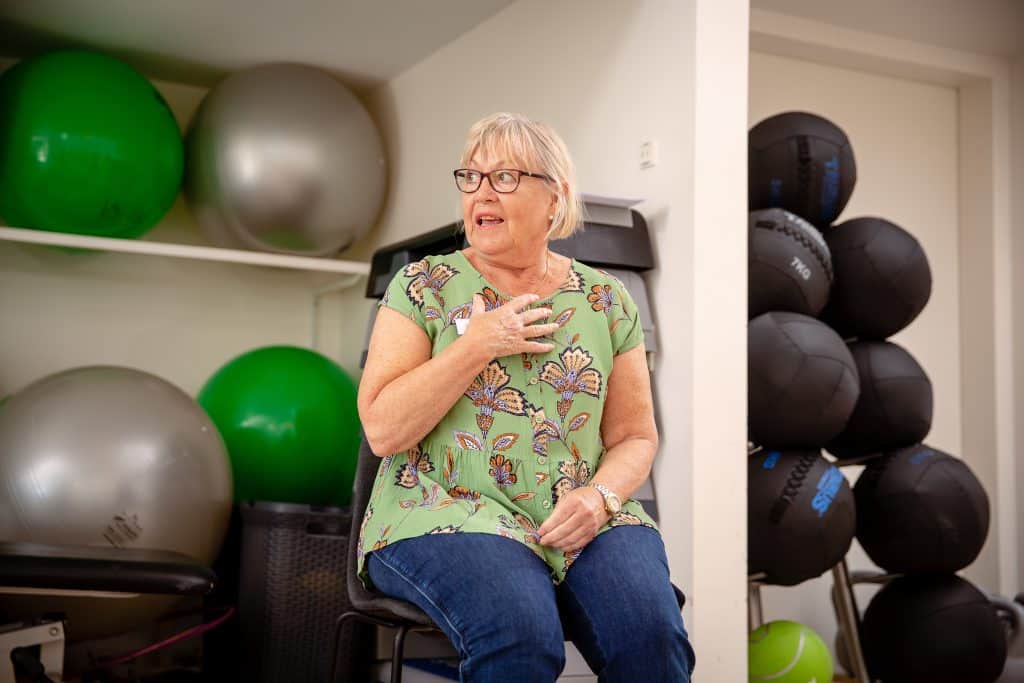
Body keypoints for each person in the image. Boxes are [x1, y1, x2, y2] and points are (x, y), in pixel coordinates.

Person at [357, 112, 695, 682]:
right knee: (520, 633)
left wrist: (599, 499)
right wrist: (476, 345)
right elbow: (383, 430)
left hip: (577, 512)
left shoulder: (606, 299)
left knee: (650, 634)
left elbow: (635, 437)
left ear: (554, 197)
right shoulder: (423, 286)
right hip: (446, 509)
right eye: (471, 177)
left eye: (505, 177)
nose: (482, 193)